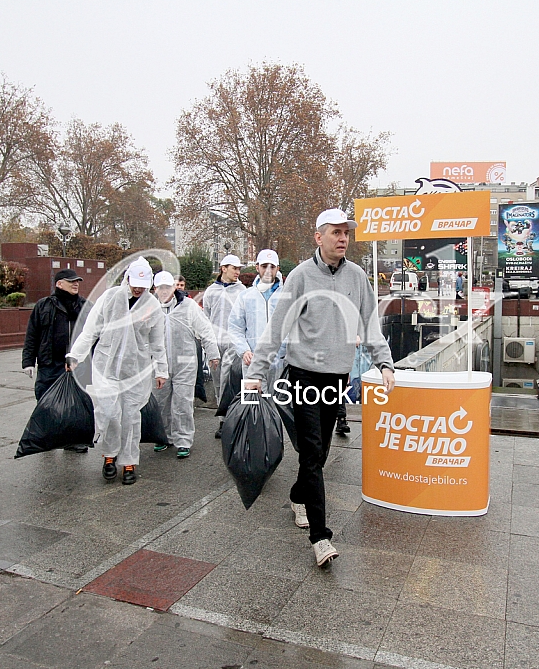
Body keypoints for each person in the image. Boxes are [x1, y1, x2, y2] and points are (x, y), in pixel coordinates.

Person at [245, 208, 395, 567]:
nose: (343, 238)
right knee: (312, 453)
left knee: (320, 454)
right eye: (336, 232)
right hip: (304, 377)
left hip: (336, 379)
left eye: (347, 233)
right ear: (318, 237)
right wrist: (257, 374)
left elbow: (370, 323)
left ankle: (298, 496)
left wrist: (384, 362)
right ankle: (320, 537)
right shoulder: (299, 277)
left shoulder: (357, 277)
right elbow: (276, 330)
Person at [67, 258, 167, 485]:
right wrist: (75, 355)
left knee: (131, 417)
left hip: (136, 369)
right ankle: (109, 456)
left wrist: (161, 370)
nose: (138, 288)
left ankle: (129, 461)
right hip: (107, 366)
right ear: (128, 279)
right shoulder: (110, 298)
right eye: (135, 283)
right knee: (110, 413)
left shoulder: (152, 307)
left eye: (143, 284)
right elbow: (90, 329)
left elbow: (157, 342)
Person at [152, 271, 220, 458]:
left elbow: (205, 330)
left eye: (168, 287)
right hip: (160, 365)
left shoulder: (188, 306)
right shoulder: (150, 307)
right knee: (160, 402)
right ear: (155, 289)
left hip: (185, 363)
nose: (165, 291)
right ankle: (164, 436)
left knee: (182, 403)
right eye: (161, 288)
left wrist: (213, 354)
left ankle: (183, 440)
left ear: (174, 287)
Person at [21, 269, 90, 452]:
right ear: (59, 284)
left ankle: (72, 440)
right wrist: (28, 361)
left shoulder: (85, 306)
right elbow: (32, 335)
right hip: (49, 363)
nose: (76, 284)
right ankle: (47, 438)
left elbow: (95, 335)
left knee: (74, 403)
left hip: (76, 364)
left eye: (77, 281)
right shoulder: (44, 305)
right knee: (46, 401)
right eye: (71, 281)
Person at [202, 254, 245, 438]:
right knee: (218, 383)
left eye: (239, 269)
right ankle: (223, 420)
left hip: (233, 343)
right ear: (223, 268)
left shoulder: (242, 290)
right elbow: (206, 318)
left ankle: (234, 419)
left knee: (231, 382)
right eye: (234, 268)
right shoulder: (211, 291)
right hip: (215, 343)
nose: (237, 272)